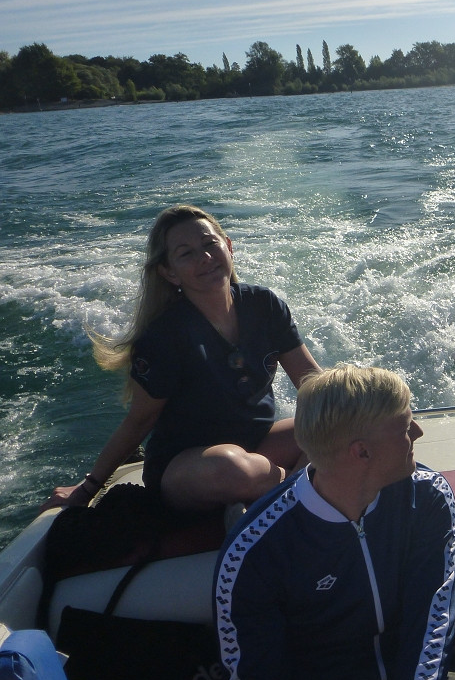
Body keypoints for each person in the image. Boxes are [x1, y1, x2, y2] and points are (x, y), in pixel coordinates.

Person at [214, 364, 455, 680]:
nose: (419, 432)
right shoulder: (252, 552)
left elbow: (430, 630)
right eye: (404, 425)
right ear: (361, 452)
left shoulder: (426, 499)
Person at [42, 204, 320, 513]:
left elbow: (314, 384)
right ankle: (307, 488)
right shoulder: (164, 336)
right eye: (186, 253)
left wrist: (343, 421)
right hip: (190, 468)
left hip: (259, 445)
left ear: (228, 246)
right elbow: (139, 421)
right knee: (231, 468)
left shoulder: (263, 305)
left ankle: (287, 488)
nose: (204, 257)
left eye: (209, 244)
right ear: (169, 272)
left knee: (347, 418)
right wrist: (88, 487)